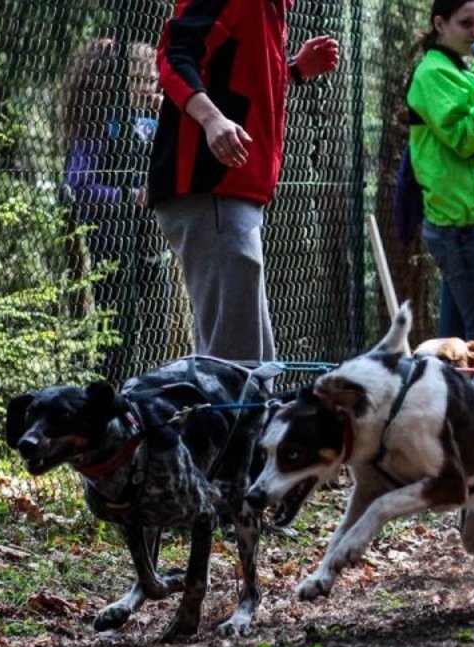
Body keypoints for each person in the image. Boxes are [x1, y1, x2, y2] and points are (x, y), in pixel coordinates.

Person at [147, 0, 340, 362]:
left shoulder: (273, 8)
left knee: (253, 362)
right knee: (235, 363)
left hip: (233, 194)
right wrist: (211, 120)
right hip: (210, 188)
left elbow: (234, 77)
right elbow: (174, 54)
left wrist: (294, 70)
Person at [60, 39, 189, 379]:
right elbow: (79, 186)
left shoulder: (148, 122)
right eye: (139, 81)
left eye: (152, 80)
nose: (148, 88)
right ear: (112, 82)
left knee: (160, 330)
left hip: (153, 245)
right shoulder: (98, 127)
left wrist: (168, 114)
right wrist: (130, 196)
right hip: (113, 246)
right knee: (118, 336)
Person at [408, 0, 474, 354]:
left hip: (472, 217)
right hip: (460, 222)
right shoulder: (433, 74)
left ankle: (447, 406)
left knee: (454, 339)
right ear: (440, 23)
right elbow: (466, 141)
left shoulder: (461, 73)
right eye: (466, 23)